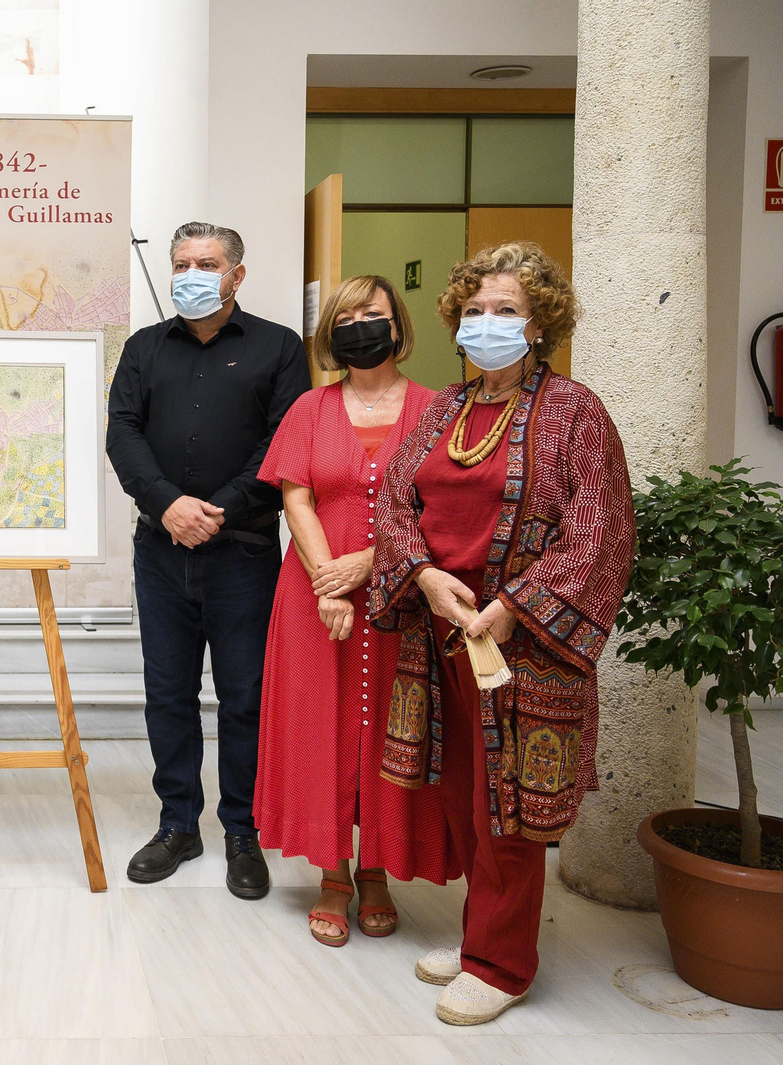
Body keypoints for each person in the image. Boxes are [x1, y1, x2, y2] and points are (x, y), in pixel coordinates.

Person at [369, 242, 635, 1025]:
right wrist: (421, 574)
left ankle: (501, 962)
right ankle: (478, 930)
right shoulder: (445, 411)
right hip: (443, 628)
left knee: (510, 808)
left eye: (508, 311)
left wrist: (513, 604)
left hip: (524, 641)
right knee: (461, 794)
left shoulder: (575, 410)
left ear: (540, 322)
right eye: (477, 310)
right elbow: (392, 501)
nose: (488, 324)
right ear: (456, 319)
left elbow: (600, 529)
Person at [253, 276, 458, 947]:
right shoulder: (309, 408)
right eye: (345, 316)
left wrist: (371, 564)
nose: (359, 324)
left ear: (397, 324)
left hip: (405, 593)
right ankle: (334, 876)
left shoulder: (438, 409)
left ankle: (378, 870)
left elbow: (444, 511)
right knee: (321, 727)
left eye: (372, 314)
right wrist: (328, 584)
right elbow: (297, 498)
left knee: (392, 728)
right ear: (329, 332)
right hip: (317, 595)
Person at [106, 221, 308, 899]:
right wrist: (168, 505)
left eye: (209, 262)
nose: (193, 273)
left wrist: (214, 508)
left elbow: (282, 443)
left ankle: (242, 832)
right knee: (167, 694)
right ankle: (177, 825)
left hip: (243, 553)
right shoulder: (142, 349)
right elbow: (123, 434)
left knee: (245, 698)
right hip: (160, 552)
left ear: (237, 274)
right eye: (183, 263)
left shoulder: (280, 348)